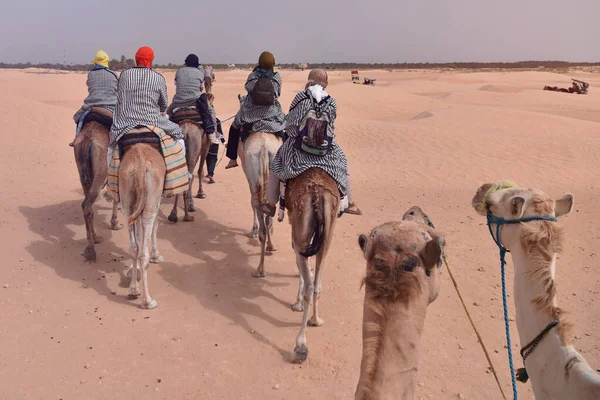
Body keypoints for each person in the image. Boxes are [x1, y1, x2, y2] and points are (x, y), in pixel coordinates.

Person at [261, 69, 361, 219]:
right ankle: (350, 203)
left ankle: (270, 205)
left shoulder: (300, 98)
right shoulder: (331, 101)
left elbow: (291, 125)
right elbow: (331, 128)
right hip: (325, 152)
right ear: (325, 83)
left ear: (309, 80)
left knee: (276, 164)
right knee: (343, 164)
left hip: (299, 150)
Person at [108, 46, 184, 166]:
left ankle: (110, 180)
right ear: (151, 60)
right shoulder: (159, 78)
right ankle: (180, 177)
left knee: (110, 149)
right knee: (179, 136)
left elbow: (120, 98)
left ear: (136, 59)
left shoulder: (124, 75)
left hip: (125, 123)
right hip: (154, 121)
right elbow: (163, 105)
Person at [225, 51, 286, 169]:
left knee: (234, 127)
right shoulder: (276, 76)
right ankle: (287, 159)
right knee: (285, 128)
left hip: (250, 113)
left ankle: (232, 158)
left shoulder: (252, 76)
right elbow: (277, 94)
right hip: (272, 113)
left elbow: (248, 88)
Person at [69, 50, 118, 146]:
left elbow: (89, 85)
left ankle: (76, 137)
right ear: (106, 62)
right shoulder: (113, 74)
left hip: (91, 106)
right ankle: (117, 145)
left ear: (95, 62)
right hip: (110, 108)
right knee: (120, 123)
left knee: (78, 119)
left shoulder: (90, 74)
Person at [167, 54, 218, 144]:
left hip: (178, 102)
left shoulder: (179, 72)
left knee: (167, 114)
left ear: (186, 62)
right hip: (195, 101)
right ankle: (212, 134)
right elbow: (201, 88)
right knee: (211, 111)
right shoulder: (200, 73)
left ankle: (165, 136)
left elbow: (176, 84)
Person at [205, 93, 225, 183]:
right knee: (213, 157)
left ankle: (209, 172)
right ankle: (210, 174)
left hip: (205, 140)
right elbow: (219, 132)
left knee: (207, 157)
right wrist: (224, 142)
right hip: (214, 140)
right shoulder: (216, 121)